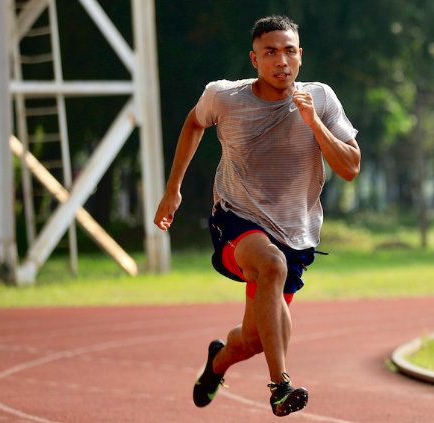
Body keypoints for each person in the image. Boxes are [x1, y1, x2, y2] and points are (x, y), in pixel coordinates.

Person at [153, 15, 360, 417]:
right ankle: (281, 386)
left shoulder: (320, 98)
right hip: (236, 218)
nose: (281, 60)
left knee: (253, 339)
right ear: (255, 59)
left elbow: (350, 168)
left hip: (296, 232)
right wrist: (172, 190)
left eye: (289, 51)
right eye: (270, 52)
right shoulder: (226, 98)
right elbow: (194, 123)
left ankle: (217, 363)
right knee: (270, 263)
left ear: (300, 56)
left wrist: (313, 122)